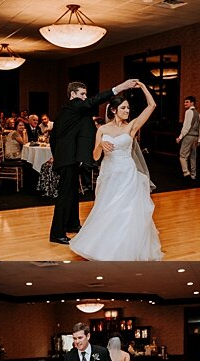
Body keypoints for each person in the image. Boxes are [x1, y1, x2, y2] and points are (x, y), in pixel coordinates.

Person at [69, 82, 163, 261]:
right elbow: (95, 158)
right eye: (123, 108)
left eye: (128, 108)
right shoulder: (102, 129)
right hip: (109, 174)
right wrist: (101, 146)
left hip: (128, 174)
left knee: (127, 212)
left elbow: (152, 106)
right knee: (107, 209)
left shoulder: (132, 126)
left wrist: (143, 87)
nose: (127, 111)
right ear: (113, 110)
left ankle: (125, 249)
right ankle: (103, 247)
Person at [49, 78, 138, 245]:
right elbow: (94, 101)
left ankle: (72, 224)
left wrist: (59, 155)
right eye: (82, 94)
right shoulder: (73, 105)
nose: (84, 98)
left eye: (85, 94)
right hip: (68, 160)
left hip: (70, 158)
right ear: (73, 95)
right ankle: (56, 233)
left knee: (73, 193)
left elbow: (54, 138)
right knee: (65, 196)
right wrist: (121, 87)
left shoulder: (68, 112)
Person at [176, 95, 200, 181]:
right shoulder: (198, 114)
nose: (185, 104)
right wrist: (199, 139)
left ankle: (186, 172)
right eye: (185, 102)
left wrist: (180, 137)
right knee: (193, 156)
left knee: (182, 156)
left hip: (188, 136)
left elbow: (186, 127)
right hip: (195, 137)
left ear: (192, 103)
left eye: (187, 102)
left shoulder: (188, 112)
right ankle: (193, 175)